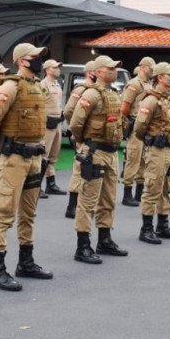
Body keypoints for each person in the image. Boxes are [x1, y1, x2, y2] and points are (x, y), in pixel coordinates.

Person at [0, 44, 54, 291]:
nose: (39, 61)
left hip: (34, 158)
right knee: (4, 215)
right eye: (35, 57)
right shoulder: (10, 87)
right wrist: (1, 145)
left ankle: (26, 262)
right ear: (22, 61)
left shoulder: (37, 86)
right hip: (13, 159)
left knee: (29, 213)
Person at [68, 55, 128, 264]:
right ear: (99, 72)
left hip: (111, 152)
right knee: (88, 200)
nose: (115, 71)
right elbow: (75, 122)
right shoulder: (91, 94)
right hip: (94, 151)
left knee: (109, 198)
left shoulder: (114, 93)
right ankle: (83, 245)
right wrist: (81, 142)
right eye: (110, 68)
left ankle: (105, 239)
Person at [133, 62, 170, 244]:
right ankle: (146, 229)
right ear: (160, 77)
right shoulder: (151, 100)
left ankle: (162, 225)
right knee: (152, 189)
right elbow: (139, 127)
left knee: (166, 189)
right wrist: (150, 140)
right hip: (157, 150)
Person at [62, 60, 95, 218]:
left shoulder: (98, 90)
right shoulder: (82, 89)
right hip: (82, 136)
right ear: (90, 73)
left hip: (92, 136)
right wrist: (76, 131)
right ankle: (72, 206)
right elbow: (68, 110)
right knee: (78, 169)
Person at [120, 56, 155, 207]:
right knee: (133, 159)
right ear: (143, 67)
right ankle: (127, 194)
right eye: (151, 67)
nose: (152, 70)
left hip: (145, 127)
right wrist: (129, 122)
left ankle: (139, 193)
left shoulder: (148, 84)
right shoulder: (134, 84)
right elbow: (125, 107)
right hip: (135, 125)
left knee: (143, 160)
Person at [41, 59, 67, 198]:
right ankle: (36, 186)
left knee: (53, 156)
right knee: (43, 155)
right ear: (47, 69)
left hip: (56, 123)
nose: (58, 69)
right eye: (55, 67)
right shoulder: (43, 85)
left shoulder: (57, 84)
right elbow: (39, 106)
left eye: (58, 67)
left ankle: (51, 184)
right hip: (47, 124)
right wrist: (45, 119)